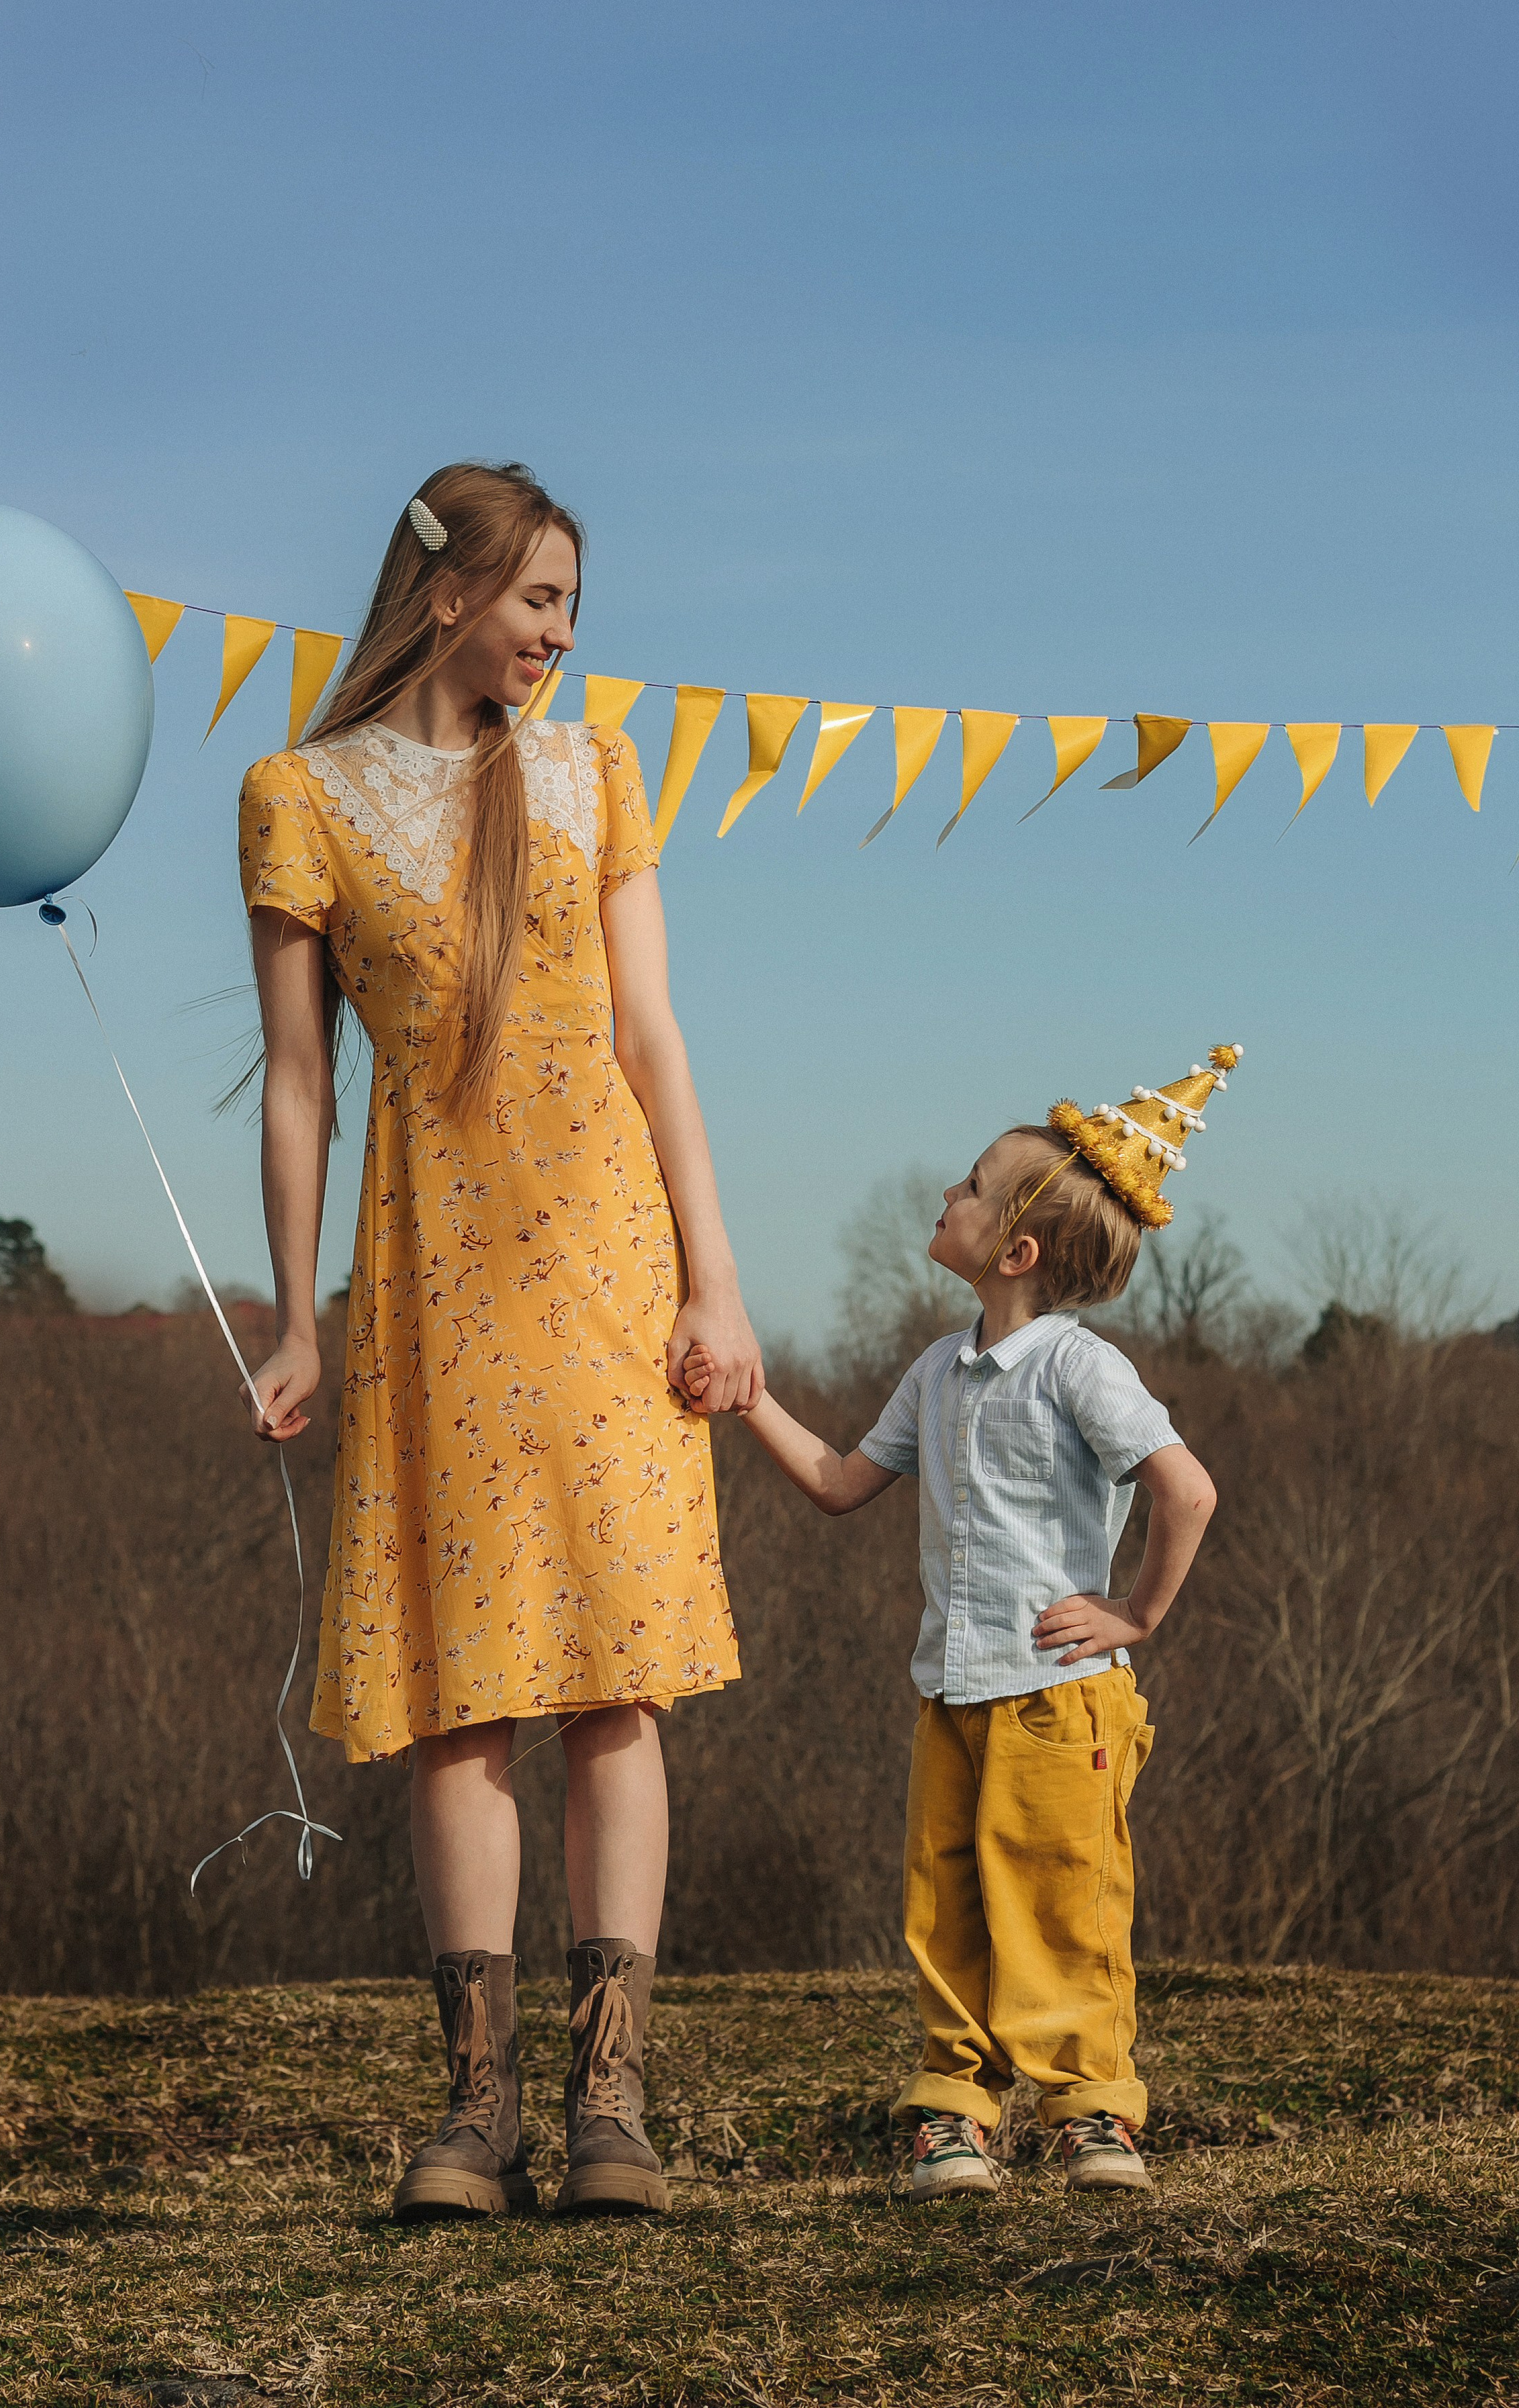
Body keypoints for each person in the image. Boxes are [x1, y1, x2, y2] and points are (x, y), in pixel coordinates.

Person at [236, 462, 761, 2222]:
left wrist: (713, 1281)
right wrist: (293, 1313)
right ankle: (477, 2114)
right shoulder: (296, 795)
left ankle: (613, 2108)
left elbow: (655, 1035)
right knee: (458, 1704)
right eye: (538, 600)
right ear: (446, 589)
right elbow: (298, 1081)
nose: (559, 637)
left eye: (571, 609)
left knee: (616, 1683)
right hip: (426, 1276)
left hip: (609, 1261)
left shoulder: (594, 770)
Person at [687, 1046, 1235, 2197]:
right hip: (950, 1696)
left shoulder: (1080, 1369)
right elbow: (841, 1483)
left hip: (1060, 1705)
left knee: (1067, 1908)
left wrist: (1134, 1614)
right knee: (946, 1913)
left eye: (972, 1186)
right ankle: (954, 2118)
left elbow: (1187, 1492)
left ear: (1017, 1251)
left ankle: (1093, 2115)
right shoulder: (938, 1371)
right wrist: (748, 1398)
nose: (949, 1192)